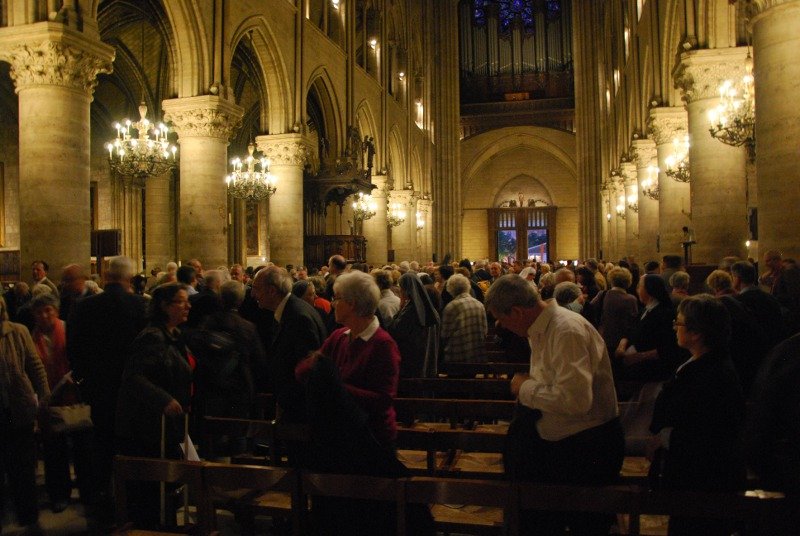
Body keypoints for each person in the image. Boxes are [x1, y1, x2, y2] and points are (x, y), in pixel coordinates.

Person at [485, 275, 623, 535]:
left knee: (580, 525)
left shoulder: (565, 330)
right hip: (565, 444)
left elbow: (576, 400)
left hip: (584, 450)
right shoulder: (542, 327)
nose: (501, 326)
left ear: (516, 311)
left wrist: (524, 388)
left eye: (502, 320)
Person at [648, 295, 745, 535]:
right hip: (692, 474)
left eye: (678, 323)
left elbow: (703, 432)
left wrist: (664, 438)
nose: (674, 328)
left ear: (696, 333)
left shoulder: (713, 374)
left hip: (702, 479)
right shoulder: (702, 362)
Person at [67, 256, 147, 515]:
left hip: (97, 388)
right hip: (131, 389)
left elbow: (74, 349)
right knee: (131, 442)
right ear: (129, 278)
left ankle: (101, 497)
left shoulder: (84, 307)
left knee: (101, 442)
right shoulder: (139, 306)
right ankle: (132, 499)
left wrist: (82, 380)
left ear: (106, 276)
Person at [116, 283, 194, 527]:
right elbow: (134, 377)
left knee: (171, 480)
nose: (187, 305)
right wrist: (164, 399)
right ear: (164, 306)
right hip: (149, 426)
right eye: (180, 301)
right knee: (153, 485)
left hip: (170, 423)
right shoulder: (152, 336)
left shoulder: (174, 334)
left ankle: (166, 524)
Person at [30, 293, 92, 513]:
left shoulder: (67, 330)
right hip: (49, 401)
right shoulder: (31, 337)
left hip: (72, 396)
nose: (45, 315)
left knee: (82, 449)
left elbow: (81, 358)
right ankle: (59, 494)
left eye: (48, 310)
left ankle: (87, 492)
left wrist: (75, 380)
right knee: (54, 452)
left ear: (56, 311)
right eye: (39, 312)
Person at [0, 296, 50, 535]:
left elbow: (35, 365)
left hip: (17, 407)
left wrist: (44, 396)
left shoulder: (17, 332)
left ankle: (28, 517)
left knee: (22, 465)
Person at [251, 266, 326, 423]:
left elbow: (306, 369)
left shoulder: (298, 317)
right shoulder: (291, 310)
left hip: (299, 412)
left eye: (256, 289)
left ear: (272, 291)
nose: (252, 294)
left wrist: (286, 403)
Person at [616, 274, 683, 382]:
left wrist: (638, 356)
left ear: (649, 290)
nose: (637, 290)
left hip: (653, 371)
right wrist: (622, 344)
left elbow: (668, 347)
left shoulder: (665, 313)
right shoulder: (646, 309)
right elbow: (632, 329)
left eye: (640, 286)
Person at [386, 272, 440, 377]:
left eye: (401, 288)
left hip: (411, 360)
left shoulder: (411, 311)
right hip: (427, 358)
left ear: (407, 290)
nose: (400, 290)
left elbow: (394, 331)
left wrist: (401, 307)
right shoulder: (429, 308)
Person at [591, 266, 639, 360]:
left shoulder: (602, 294)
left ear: (611, 280)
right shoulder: (631, 299)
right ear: (628, 282)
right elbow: (633, 322)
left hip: (603, 337)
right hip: (621, 342)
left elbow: (591, 308)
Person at [440, 274, 488, 363]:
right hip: (478, 355)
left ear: (450, 288)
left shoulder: (451, 307)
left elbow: (444, 334)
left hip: (457, 356)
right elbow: (485, 331)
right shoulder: (479, 304)